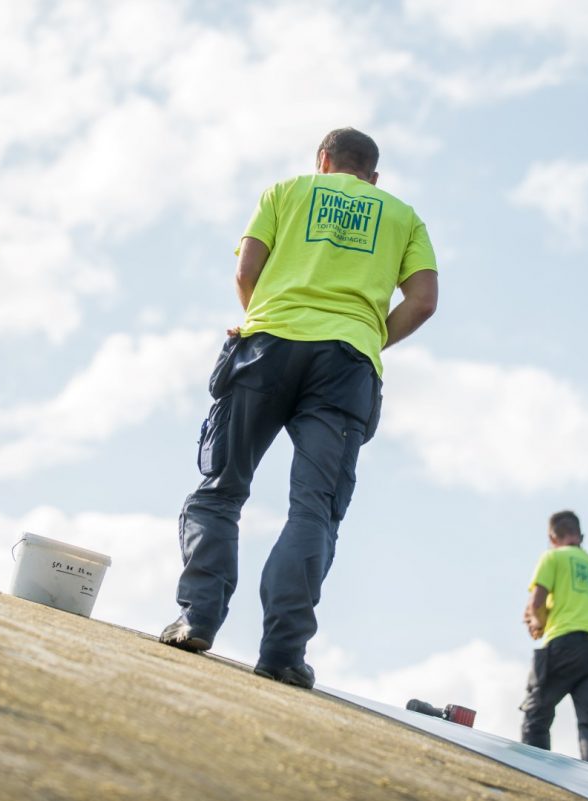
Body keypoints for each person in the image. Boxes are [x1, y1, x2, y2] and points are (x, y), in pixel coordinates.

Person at [159, 127, 438, 689]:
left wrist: (264, 317)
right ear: (373, 177)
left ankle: (198, 618)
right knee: (313, 510)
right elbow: (424, 300)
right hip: (346, 366)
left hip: (265, 349)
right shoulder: (403, 215)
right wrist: (367, 336)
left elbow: (245, 272)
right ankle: (282, 652)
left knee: (221, 490)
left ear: (323, 161)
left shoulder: (286, 192)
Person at [520, 510, 588, 765]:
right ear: (581, 536)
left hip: (564, 645)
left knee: (537, 716)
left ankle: (536, 775)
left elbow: (536, 602)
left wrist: (537, 623)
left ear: (552, 537)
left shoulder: (553, 557)